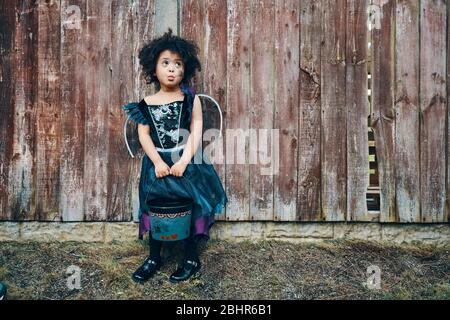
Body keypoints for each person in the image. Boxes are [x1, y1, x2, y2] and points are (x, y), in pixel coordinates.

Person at [122, 29, 228, 283]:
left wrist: (183, 161)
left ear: (186, 69)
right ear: (153, 68)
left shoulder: (191, 100)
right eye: (165, 63)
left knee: (189, 205)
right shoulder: (146, 103)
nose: (171, 69)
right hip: (156, 165)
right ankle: (154, 256)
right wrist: (158, 161)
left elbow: (196, 131)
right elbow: (144, 136)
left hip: (187, 164)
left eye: (177, 64)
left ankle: (190, 257)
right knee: (156, 205)